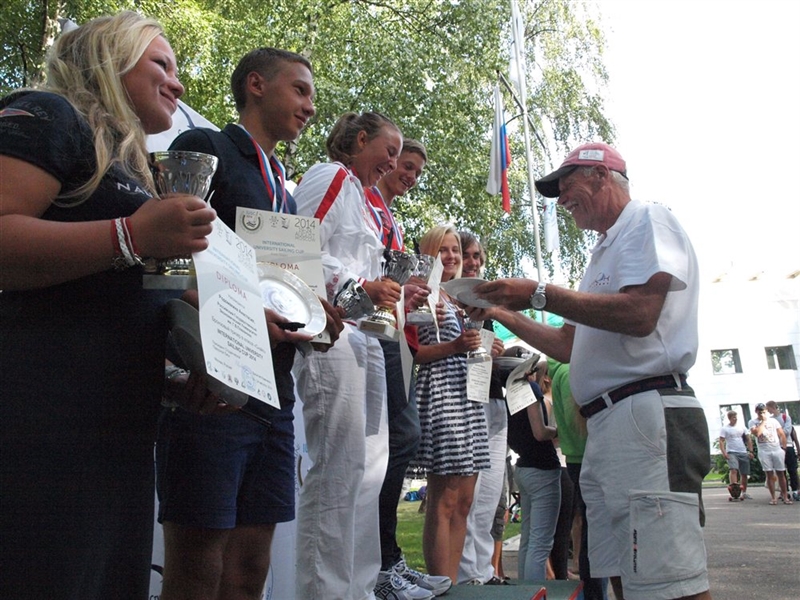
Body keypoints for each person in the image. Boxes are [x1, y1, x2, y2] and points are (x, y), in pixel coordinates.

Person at [0, 12, 218, 599]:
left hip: (119, 432)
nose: (177, 82)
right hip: (42, 426)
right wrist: (132, 234)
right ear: (109, 58)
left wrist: (181, 372)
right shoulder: (50, 114)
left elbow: (114, 297)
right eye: (161, 64)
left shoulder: (134, 167)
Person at [469, 142, 713, 600]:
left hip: (646, 413)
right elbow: (568, 345)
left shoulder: (646, 220)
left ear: (602, 175)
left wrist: (539, 293)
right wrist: (501, 311)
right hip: (611, 424)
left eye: (568, 185)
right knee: (621, 571)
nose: (562, 199)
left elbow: (641, 313)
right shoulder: (605, 249)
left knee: (668, 577)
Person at [155, 48, 343, 600]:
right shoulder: (207, 149)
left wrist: (314, 317)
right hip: (214, 384)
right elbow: (167, 264)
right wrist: (239, 312)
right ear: (256, 85)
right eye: (300, 90)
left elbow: (283, 287)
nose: (310, 106)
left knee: (249, 570)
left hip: (274, 395)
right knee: (196, 567)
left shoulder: (288, 192)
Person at [292, 111, 410, 600]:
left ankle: (359, 589)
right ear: (361, 140)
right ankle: (323, 592)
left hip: (366, 335)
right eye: (389, 151)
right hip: (332, 331)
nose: (393, 164)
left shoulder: (364, 200)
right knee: (338, 469)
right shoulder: (330, 176)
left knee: (368, 470)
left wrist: (383, 291)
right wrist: (358, 286)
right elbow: (298, 246)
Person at [367, 140, 451, 599]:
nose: (411, 176)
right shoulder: (363, 200)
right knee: (397, 440)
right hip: (368, 337)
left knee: (399, 441)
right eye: (406, 165)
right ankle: (379, 565)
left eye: (418, 171)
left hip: (392, 337)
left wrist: (410, 295)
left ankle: (387, 558)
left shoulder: (387, 215)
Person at [411, 225, 490, 584]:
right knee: (444, 498)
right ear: (429, 252)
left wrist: (485, 348)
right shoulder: (421, 292)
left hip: (469, 395)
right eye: (443, 249)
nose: (452, 256)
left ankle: (454, 583)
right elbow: (413, 352)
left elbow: (471, 348)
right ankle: (441, 584)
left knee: (465, 500)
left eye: (455, 249)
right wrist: (456, 347)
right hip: (441, 392)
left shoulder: (461, 298)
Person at [456, 231, 509, 586]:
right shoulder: (448, 300)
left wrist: (503, 354)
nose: (473, 262)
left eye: (477, 256)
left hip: (494, 398)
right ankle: (466, 572)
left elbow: (483, 355)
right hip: (466, 402)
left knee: (490, 493)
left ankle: (484, 568)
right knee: (469, 496)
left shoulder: (484, 303)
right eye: (466, 255)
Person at [548, 359, 608, 599]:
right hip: (586, 456)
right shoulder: (569, 370)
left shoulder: (562, 371)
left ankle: (595, 592)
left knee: (591, 530)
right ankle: (595, 594)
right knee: (596, 533)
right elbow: (577, 421)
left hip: (578, 456)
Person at [507, 360, 561, 582]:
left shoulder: (510, 393)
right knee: (540, 543)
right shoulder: (531, 390)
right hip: (543, 468)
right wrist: (560, 431)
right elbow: (539, 432)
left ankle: (526, 591)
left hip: (524, 467)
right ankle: (535, 592)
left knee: (528, 539)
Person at [749, 403, 789, 505]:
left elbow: (781, 434)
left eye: (764, 411)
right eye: (760, 411)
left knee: (781, 473)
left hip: (776, 449)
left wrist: (784, 448)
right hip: (764, 451)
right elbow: (757, 433)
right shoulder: (753, 422)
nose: (762, 413)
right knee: (769, 474)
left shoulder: (774, 421)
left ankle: (785, 496)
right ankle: (773, 497)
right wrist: (763, 422)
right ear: (756, 411)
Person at [765, 400, 800, 501]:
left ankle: (795, 490)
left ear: (772, 407)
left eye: (768, 408)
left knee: (792, 470)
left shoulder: (785, 417)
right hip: (776, 447)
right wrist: (778, 433)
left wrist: (776, 433)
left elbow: (787, 431)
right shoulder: (770, 420)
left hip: (788, 446)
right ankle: (785, 492)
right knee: (781, 471)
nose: (767, 411)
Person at [718, 410, 754, 502]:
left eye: (736, 417)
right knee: (733, 470)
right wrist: (724, 452)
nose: (735, 419)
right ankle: (734, 492)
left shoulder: (742, 427)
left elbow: (748, 439)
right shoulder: (725, 428)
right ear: (729, 418)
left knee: (744, 473)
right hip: (731, 452)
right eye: (733, 417)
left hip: (742, 451)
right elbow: (721, 441)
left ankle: (744, 492)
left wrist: (750, 451)